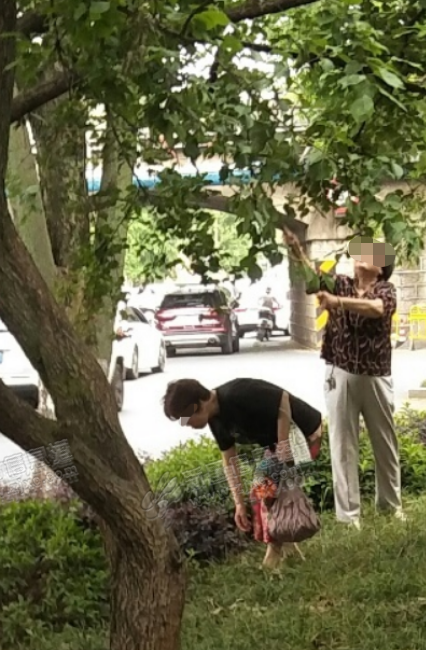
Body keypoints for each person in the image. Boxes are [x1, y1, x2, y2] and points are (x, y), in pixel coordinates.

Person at [283, 229, 404, 529]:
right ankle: (349, 517)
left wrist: (338, 302)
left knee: (385, 444)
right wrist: (296, 250)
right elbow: (313, 280)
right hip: (340, 372)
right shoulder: (341, 283)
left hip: (375, 376)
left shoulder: (386, 290)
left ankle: (390, 506)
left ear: (381, 267)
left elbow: (376, 309)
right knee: (342, 445)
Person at [163, 377, 322, 568]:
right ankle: (289, 551)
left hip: (306, 435)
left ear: (197, 405)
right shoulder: (216, 420)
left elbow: (283, 399)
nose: (186, 425)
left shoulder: (237, 394)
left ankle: (273, 553)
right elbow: (229, 460)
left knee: (263, 490)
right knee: (264, 492)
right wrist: (238, 503)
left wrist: (283, 446)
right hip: (277, 446)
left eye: (186, 419)